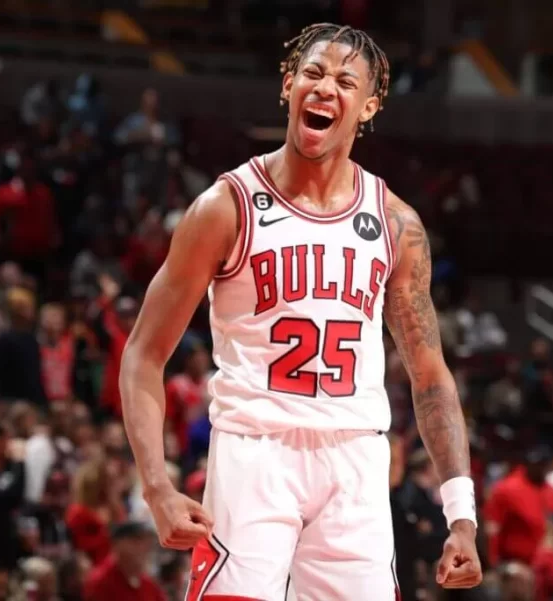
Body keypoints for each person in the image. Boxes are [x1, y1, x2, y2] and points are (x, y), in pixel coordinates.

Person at [120, 22, 482, 600]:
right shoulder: (226, 206)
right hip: (254, 451)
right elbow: (143, 353)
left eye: (345, 80)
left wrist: (460, 515)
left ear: (369, 106)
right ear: (288, 86)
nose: (325, 87)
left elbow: (430, 375)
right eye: (312, 73)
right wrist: (157, 486)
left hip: (355, 459)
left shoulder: (395, 223)